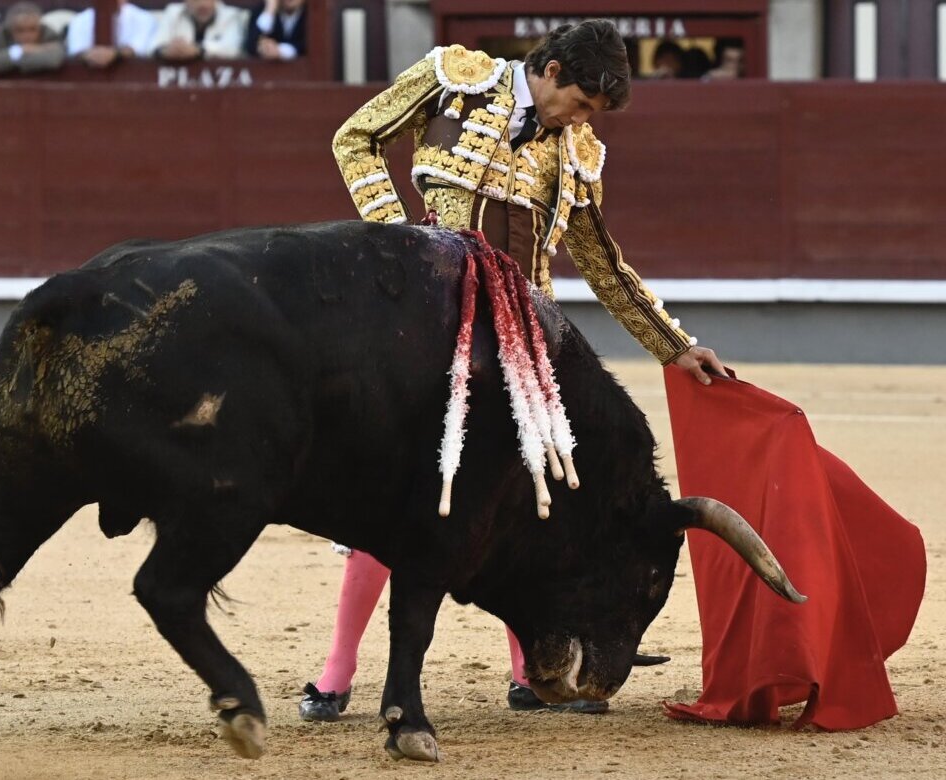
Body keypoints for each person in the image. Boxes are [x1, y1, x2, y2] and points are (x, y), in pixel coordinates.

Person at [305, 20, 725, 721]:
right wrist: (400, 241)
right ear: (553, 70)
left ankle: (527, 673)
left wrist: (672, 345)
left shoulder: (577, 151)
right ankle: (336, 673)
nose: (582, 121)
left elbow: (603, 262)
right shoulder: (453, 79)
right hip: (426, 333)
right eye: (582, 103)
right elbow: (355, 138)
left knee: (518, 500)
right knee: (397, 498)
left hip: (520, 347)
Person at [0, 2, 66, 77]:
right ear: (10, 30)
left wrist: (7, 59)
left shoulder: (48, 34)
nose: (27, 35)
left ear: (40, 27)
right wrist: (20, 50)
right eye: (20, 30)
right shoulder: (1, 35)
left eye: (32, 29)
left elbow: (54, 60)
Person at [66, 0, 158, 69]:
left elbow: (139, 49)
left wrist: (114, 54)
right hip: (89, 77)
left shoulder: (144, 18)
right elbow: (76, 50)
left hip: (131, 75)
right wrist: (91, 55)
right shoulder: (79, 19)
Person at [153, 0, 249, 62]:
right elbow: (154, 46)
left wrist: (199, 50)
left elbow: (233, 48)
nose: (203, 4)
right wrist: (166, 51)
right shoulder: (173, 12)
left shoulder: (230, 15)